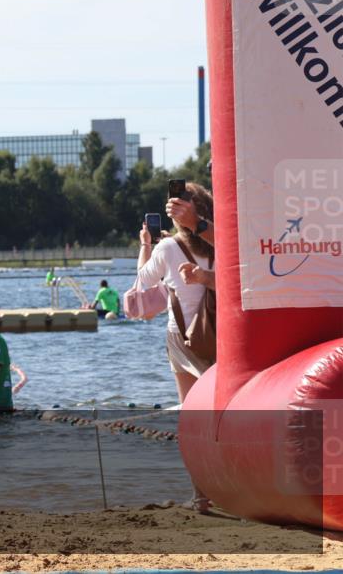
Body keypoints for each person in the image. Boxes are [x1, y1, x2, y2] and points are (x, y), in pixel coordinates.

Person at [137, 181, 215, 512]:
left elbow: (142, 281)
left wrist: (147, 244)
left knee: (192, 416)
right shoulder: (221, 246)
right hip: (224, 336)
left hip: (185, 341)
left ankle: (201, 496)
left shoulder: (168, 249)